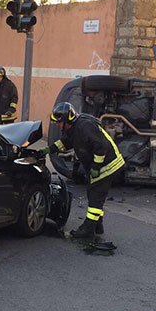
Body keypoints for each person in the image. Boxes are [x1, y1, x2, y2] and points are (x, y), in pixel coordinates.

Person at [39, 102, 125, 238]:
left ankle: (88, 229)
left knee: (95, 197)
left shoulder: (85, 126)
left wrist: (96, 166)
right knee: (94, 194)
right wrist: (49, 149)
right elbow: (65, 141)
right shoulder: (73, 128)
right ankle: (97, 225)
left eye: (59, 122)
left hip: (108, 165)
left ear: (67, 119)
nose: (57, 125)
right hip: (101, 166)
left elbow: (101, 146)